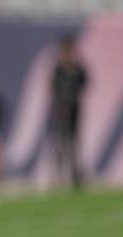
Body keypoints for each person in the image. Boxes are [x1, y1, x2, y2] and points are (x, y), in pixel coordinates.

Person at [50, 36, 87, 188]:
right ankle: (58, 178)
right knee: (60, 144)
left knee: (74, 144)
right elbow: (52, 88)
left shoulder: (78, 69)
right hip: (60, 110)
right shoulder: (58, 69)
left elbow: (83, 85)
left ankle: (76, 177)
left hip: (74, 110)